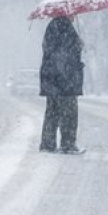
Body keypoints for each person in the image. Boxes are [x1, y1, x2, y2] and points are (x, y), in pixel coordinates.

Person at [39, 15, 85, 154]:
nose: (75, 16)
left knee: (52, 112)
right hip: (64, 80)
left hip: (52, 78)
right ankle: (68, 144)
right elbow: (65, 54)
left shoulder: (53, 26)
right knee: (69, 113)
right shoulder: (64, 27)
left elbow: (52, 51)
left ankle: (48, 145)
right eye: (73, 14)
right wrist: (78, 46)